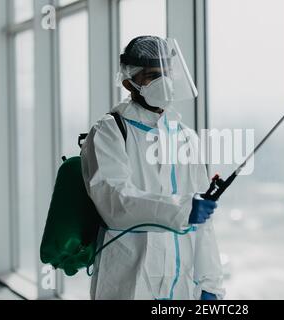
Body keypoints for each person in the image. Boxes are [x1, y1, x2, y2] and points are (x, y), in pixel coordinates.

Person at [81, 36, 225, 300]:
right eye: (152, 75)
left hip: (181, 282)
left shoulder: (185, 136)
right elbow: (115, 202)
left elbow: (204, 223)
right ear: (129, 82)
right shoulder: (110, 131)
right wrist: (183, 208)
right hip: (128, 280)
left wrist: (210, 283)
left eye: (167, 74)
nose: (164, 83)